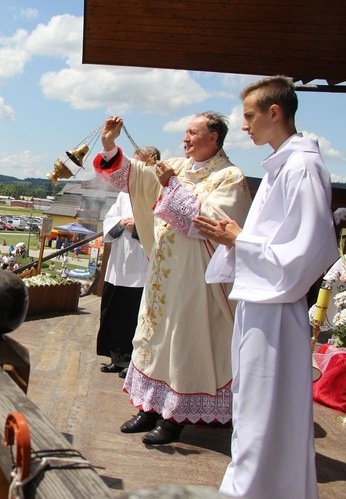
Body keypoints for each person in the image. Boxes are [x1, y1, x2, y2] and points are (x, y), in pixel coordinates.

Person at [194, 76, 336, 499]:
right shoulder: (282, 165)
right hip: (260, 302)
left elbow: (312, 246)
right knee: (254, 412)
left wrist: (241, 240)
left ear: (276, 113)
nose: (244, 126)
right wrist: (234, 240)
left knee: (262, 415)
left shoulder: (303, 167)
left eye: (250, 116)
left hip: (276, 307)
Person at [93, 112, 252, 445]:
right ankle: (149, 408)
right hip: (164, 274)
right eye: (185, 133)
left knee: (183, 342)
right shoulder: (177, 165)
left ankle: (174, 416)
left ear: (214, 138)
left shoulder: (229, 177)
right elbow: (132, 180)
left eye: (193, 133)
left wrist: (170, 186)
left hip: (198, 278)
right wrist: (110, 145)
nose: (185, 139)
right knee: (154, 339)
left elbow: (210, 224)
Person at [96, 147, 158, 379]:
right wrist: (121, 222)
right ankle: (116, 357)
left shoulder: (154, 193)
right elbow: (109, 219)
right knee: (113, 314)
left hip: (141, 266)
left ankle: (131, 362)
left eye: (138, 165)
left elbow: (160, 228)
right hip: (119, 263)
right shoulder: (124, 194)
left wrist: (138, 227)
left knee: (133, 317)